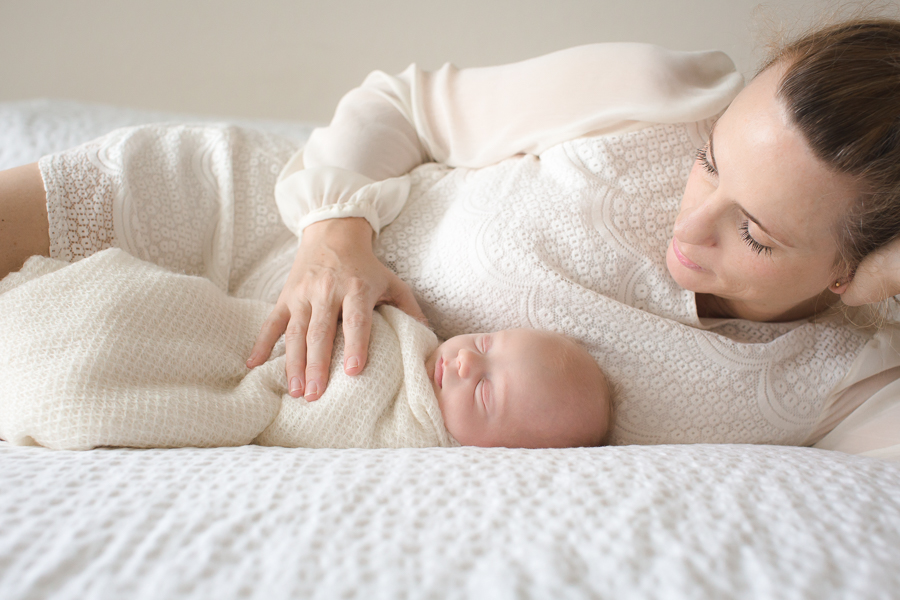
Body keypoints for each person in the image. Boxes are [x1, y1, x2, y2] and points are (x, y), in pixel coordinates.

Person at [1, 17, 899, 455]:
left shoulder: (851, 387)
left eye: (753, 230)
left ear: (855, 276)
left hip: (258, 386)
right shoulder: (655, 91)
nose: (688, 225)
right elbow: (400, 105)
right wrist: (333, 237)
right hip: (238, 218)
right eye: (710, 159)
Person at [0, 249, 611, 450]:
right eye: (486, 342)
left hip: (250, 387)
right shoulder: (411, 331)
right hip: (234, 329)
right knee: (128, 306)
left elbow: (304, 413)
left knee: (88, 382)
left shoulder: (413, 434)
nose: (469, 361)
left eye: (484, 392)